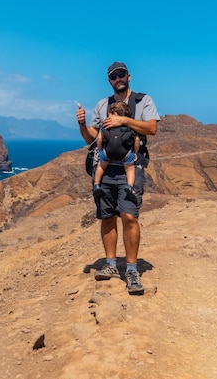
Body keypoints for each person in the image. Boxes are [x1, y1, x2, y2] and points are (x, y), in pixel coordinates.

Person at [76, 61, 160, 294]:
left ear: (129, 77)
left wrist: (124, 120)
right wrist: (83, 125)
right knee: (107, 217)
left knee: (129, 215)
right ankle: (111, 264)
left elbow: (151, 128)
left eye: (121, 74)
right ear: (110, 81)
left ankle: (132, 270)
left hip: (130, 167)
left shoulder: (144, 101)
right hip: (105, 168)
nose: (118, 79)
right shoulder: (103, 105)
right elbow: (92, 139)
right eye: (114, 77)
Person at [92, 101, 140, 204]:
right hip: (125, 154)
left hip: (107, 152)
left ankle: (96, 185)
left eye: (109, 114)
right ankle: (130, 186)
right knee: (130, 169)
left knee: (101, 166)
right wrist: (135, 153)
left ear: (115, 114)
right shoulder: (130, 126)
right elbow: (136, 141)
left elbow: (99, 139)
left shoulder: (105, 125)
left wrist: (100, 151)